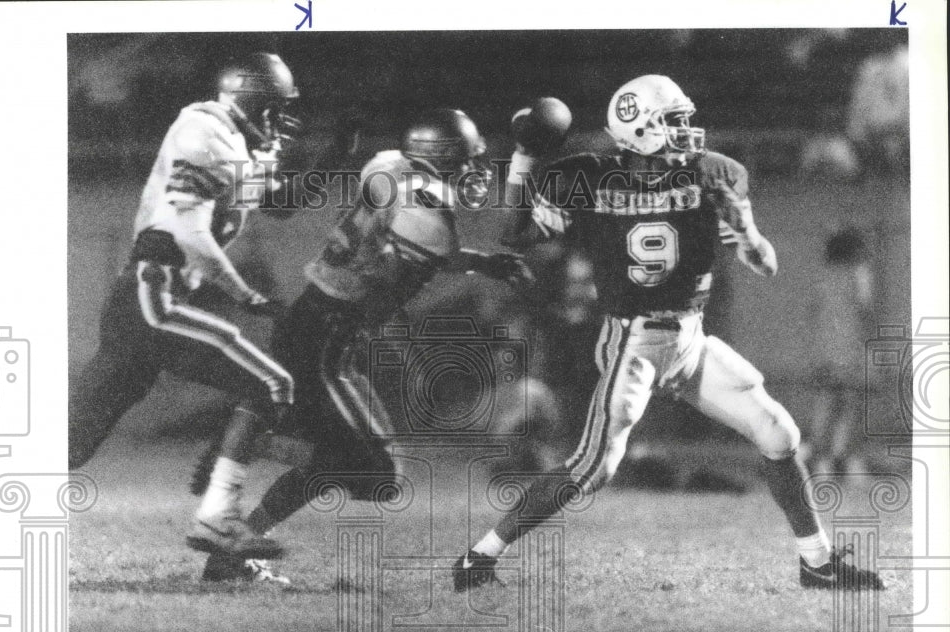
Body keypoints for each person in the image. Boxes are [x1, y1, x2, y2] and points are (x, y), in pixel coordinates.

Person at [453, 75, 884, 593]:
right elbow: (514, 235)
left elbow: (763, 262)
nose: (686, 131)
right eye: (673, 121)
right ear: (638, 128)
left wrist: (747, 234)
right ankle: (479, 558)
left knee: (779, 433)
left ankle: (817, 563)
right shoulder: (590, 177)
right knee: (593, 468)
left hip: (690, 339)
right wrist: (523, 158)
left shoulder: (712, 174)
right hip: (633, 340)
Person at [191, 108, 534, 582]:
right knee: (375, 473)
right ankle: (251, 443)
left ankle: (230, 551)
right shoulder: (429, 219)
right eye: (465, 160)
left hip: (312, 319)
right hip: (329, 340)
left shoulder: (388, 165)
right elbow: (401, 275)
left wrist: (481, 263)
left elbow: (415, 241)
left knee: (338, 463)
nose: (473, 171)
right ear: (443, 158)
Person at [69, 53, 304, 560]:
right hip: (154, 294)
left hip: (149, 298)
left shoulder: (239, 142)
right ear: (255, 103)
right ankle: (218, 517)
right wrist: (244, 293)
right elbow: (187, 230)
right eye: (275, 109)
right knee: (270, 383)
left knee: (69, 441)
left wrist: (329, 157)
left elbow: (282, 206)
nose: (280, 120)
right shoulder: (203, 132)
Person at [806, 227, 875, 476]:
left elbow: (814, 312)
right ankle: (844, 458)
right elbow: (865, 310)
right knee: (849, 407)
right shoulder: (859, 273)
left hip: (824, 351)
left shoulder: (823, 276)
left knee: (824, 405)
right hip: (849, 349)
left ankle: (818, 460)